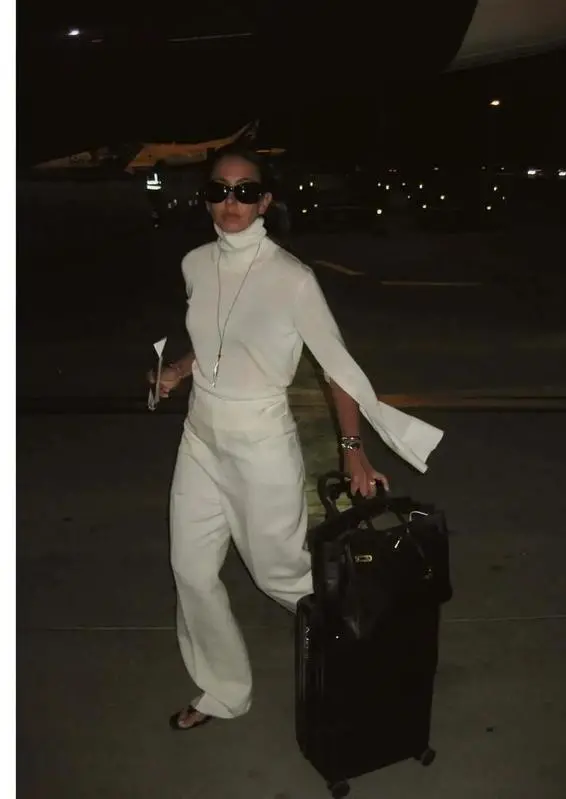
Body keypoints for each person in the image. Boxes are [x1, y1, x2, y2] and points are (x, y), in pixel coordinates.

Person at [148, 145, 444, 731]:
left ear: (265, 201)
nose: (230, 202)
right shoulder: (195, 263)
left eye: (244, 191)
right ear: (205, 199)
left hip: (260, 442)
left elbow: (338, 369)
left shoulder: (292, 279)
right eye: (218, 191)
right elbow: (216, 339)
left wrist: (354, 452)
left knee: (279, 574)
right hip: (200, 437)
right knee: (191, 569)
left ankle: (376, 636)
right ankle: (223, 692)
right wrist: (179, 369)